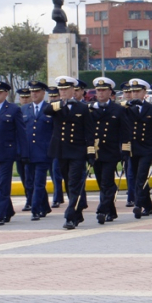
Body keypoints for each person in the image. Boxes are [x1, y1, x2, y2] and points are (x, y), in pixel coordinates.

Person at [43, 76, 95, 229]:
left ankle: (70, 215)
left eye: (66, 89)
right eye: (61, 89)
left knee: (74, 182)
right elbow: (46, 111)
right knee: (67, 182)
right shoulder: (56, 106)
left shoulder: (83, 108)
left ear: (74, 90)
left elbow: (89, 132)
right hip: (61, 150)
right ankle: (77, 212)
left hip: (77, 150)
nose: (63, 92)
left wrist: (91, 152)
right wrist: (61, 103)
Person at [0, 81, 27, 226]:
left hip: (7, 152)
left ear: (5, 94)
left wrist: (24, 152)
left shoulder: (13, 109)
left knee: (3, 184)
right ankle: (8, 210)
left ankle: (1, 214)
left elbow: (21, 132)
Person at [122, 79, 152, 219]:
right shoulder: (127, 108)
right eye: (133, 91)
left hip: (147, 148)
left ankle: (138, 205)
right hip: (133, 148)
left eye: (138, 91)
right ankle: (148, 206)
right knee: (134, 177)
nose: (134, 94)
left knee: (141, 177)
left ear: (144, 92)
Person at [91, 77, 130, 223]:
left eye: (104, 90)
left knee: (107, 181)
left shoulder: (118, 109)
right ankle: (111, 211)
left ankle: (102, 210)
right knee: (101, 182)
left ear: (110, 92)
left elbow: (125, 131)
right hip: (95, 151)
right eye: (98, 90)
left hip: (111, 151)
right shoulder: (90, 108)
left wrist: (125, 151)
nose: (100, 93)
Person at [23, 80, 53, 221]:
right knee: (29, 182)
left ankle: (35, 209)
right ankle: (45, 206)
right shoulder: (24, 109)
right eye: (32, 91)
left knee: (39, 182)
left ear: (43, 93)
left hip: (44, 152)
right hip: (28, 152)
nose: (34, 94)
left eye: (37, 91)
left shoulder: (50, 108)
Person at [47, 86, 65, 207]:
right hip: (46, 146)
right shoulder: (47, 109)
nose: (53, 98)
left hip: (59, 146)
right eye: (51, 96)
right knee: (52, 173)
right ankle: (58, 196)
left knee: (56, 172)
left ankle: (57, 197)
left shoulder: (61, 110)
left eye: (55, 96)